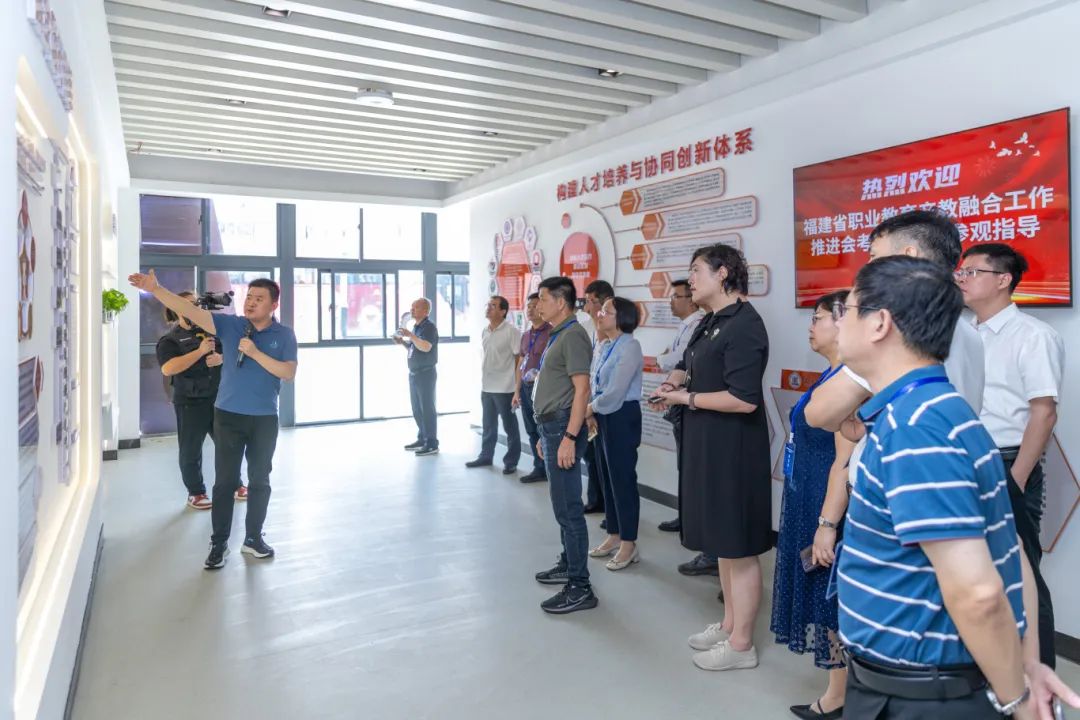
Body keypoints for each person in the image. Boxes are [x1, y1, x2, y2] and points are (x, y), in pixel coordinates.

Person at [834, 255, 1079, 720]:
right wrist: (1028, 664)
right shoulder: (941, 410)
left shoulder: (916, 428)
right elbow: (1011, 553)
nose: (837, 322)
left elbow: (979, 594)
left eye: (845, 309)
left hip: (922, 698)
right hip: (925, 685)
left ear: (880, 323)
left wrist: (1019, 700)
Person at [129, 271, 297, 570]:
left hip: (264, 419)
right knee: (225, 483)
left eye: (259, 299)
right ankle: (219, 544)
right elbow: (189, 310)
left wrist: (255, 353)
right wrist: (156, 289)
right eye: (249, 297)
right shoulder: (231, 326)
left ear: (273, 305)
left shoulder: (284, 335)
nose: (251, 302)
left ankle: (253, 538)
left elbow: (288, 373)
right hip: (228, 416)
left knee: (260, 481)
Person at [655, 244, 771, 672]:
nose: (690, 280)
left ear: (723, 273)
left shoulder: (745, 324)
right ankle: (729, 624)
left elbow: (743, 399)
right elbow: (686, 364)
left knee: (739, 545)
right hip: (707, 440)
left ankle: (742, 646)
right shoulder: (709, 321)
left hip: (733, 448)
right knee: (723, 543)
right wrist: (672, 385)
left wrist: (686, 398)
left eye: (696, 271)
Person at [957, 243, 1065, 668]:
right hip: (962, 462)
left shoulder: (1033, 335)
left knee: (1021, 577)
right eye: (961, 271)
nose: (962, 279)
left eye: (973, 272)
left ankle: (1039, 683)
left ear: (1003, 280)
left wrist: (1015, 479)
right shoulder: (962, 334)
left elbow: (1044, 413)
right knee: (970, 573)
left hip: (1006, 463)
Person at [769, 291, 855, 720]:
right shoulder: (832, 375)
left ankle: (838, 695)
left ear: (843, 322)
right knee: (823, 595)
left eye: (819, 317)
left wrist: (827, 522)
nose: (811, 325)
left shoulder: (851, 383)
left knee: (830, 599)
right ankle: (839, 689)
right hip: (809, 496)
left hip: (828, 501)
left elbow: (843, 460)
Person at [531, 276, 598, 615]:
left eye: (543, 299)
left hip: (562, 429)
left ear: (561, 302)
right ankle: (568, 562)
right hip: (552, 428)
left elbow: (582, 390)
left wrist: (569, 438)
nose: (537, 305)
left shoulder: (573, 335)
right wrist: (545, 436)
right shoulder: (558, 333)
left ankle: (580, 586)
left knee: (569, 508)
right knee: (561, 505)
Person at [585, 297, 644, 571]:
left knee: (622, 480)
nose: (600, 314)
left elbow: (616, 391)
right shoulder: (606, 345)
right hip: (602, 413)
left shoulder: (630, 346)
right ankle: (614, 534)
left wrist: (590, 408)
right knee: (607, 478)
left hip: (621, 415)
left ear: (622, 317)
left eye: (606, 311)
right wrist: (592, 410)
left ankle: (629, 543)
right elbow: (595, 382)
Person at [156, 290, 226, 510]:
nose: (193, 308)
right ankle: (196, 493)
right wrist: (200, 352)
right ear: (175, 309)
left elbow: (230, 355)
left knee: (228, 445)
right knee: (191, 450)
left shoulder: (212, 332)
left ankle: (235, 484)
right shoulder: (170, 340)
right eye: (187, 304)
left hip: (218, 399)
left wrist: (221, 358)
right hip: (189, 402)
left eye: (195, 304)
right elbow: (168, 368)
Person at [656, 279, 705, 535]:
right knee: (683, 464)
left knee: (690, 465)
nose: (671, 301)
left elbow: (677, 360)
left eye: (676, 296)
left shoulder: (697, 324)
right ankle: (686, 515)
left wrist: (661, 358)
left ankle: (692, 518)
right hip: (680, 401)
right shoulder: (685, 325)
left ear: (691, 300)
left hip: (690, 402)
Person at [467, 295, 522, 473]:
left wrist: (516, 386)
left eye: (493, 305)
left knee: (510, 427)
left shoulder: (511, 331)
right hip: (487, 386)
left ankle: (511, 461)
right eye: (488, 305)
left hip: (505, 388)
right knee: (488, 425)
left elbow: (518, 359)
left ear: (503, 311)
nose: (488, 308)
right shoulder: (485, 330)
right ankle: (486, 456)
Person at [581, 279, 614, 515]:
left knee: (607, 459)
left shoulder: (615, 334)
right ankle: (596, 500)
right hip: (589, 401)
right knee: (592, 456)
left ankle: (611, 508)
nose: (586, 307)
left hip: (606, 405)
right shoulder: (586, 329)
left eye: (590, 301)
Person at [512, 293, 551, 483]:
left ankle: (549, 467)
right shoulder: (526, 335)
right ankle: (539, 467)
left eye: (535, 305)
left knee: (544, 428)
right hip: (526, 388)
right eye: (528, 306)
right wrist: (516, 391)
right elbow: (521, 363)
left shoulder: (551, 332)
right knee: (531, 429)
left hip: (543, 389)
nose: (530, 309)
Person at [396, 298, 439, 456]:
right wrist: (402, 342)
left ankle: (432, 443)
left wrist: (410, 335)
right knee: (417, 409)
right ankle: (423, 438)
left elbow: (426, 347)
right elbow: (414, 347)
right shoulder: (417, 327)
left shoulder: (429, 327)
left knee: (427, 409)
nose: (412, 310)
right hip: (414, 374)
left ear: (425, 311)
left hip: (425, 374)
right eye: (412, 307)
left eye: (416, 308)